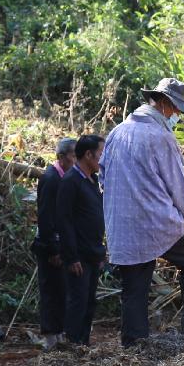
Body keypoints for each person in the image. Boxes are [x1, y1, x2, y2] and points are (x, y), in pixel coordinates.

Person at [102, 78, 184, 347]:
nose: (176, 115)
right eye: (175, 109)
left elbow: (103, 176)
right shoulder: (161, 137)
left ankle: (133, 343)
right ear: (163, 103)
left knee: (134, 285)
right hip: (157, 221)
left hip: (122, 223)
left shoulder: (117, 132)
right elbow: (177, 187)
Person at [57, 135, 105, 346]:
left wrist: (100, 252)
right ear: (88, 154)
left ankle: (83, 345)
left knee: (89, 302)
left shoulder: (91, 180)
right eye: (101, 154)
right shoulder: (70, 181)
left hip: (93, 252)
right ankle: (73, 346)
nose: (103, 159)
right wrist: (71, 256)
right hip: (79, 255)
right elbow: (64, 221)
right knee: (78, 301)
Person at [32, 137, 76, 350]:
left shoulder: (65, 178)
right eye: (74, 156)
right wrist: (53, 249)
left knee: (61, 289)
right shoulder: (51, 179)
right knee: (51, 289)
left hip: (60, 243)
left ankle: (59, 333)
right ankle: (50, 336)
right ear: (61, 157)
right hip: (50, 245)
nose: (76, 160)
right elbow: (46, 217)